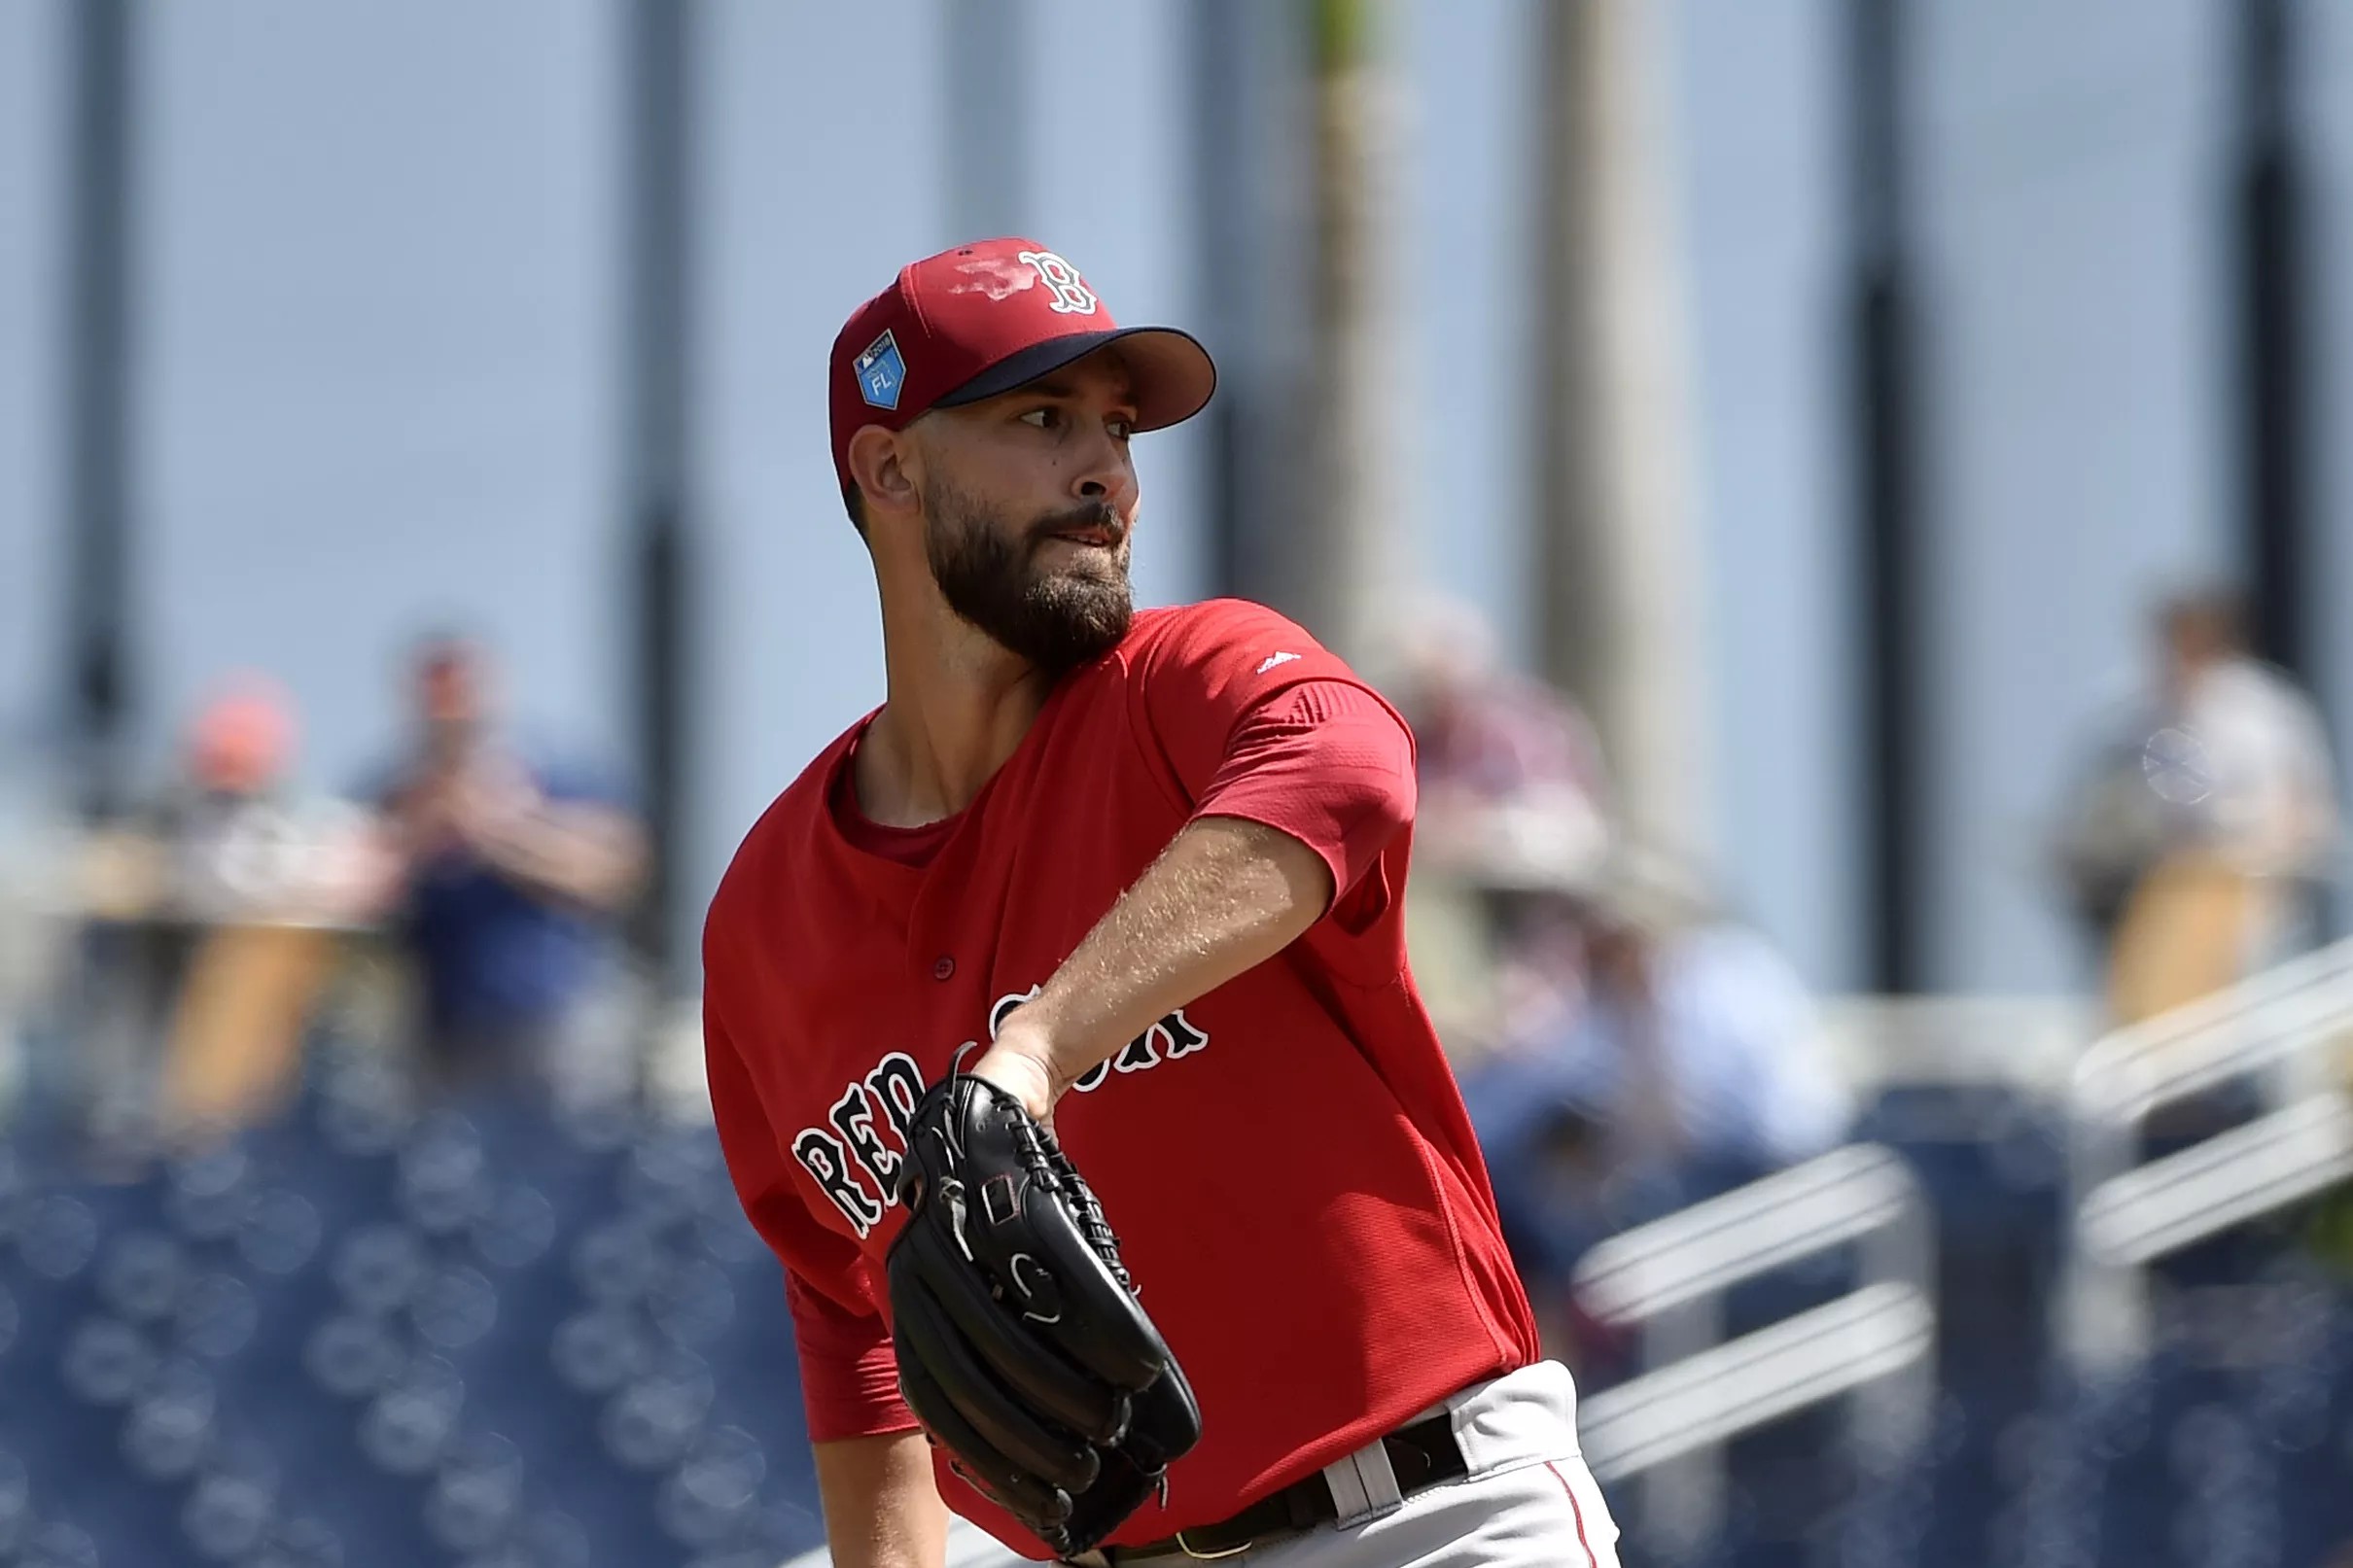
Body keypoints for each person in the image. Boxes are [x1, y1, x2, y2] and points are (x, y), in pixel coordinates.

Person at [701, 239, 1622, 1568]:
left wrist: (1029, 1055)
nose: (1108, 474)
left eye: (1120, 428)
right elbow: (852, 1330)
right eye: (1042, 418)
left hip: (1425, 1513)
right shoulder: (768, 920)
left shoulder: (1180, 684)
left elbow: (1350, 767)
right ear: (890, 466)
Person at [364, 636, 648, 1107]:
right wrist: (420, 833)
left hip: (557, 1018)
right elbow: (365, 885)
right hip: (442, 1027)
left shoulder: (556, 771)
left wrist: (498, 832)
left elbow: (615, 867)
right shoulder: (398, 790)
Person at [2053, 587, 2339, 1021]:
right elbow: (2117, 799)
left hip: (2247, 883)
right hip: (2161, 883)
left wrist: (2260, 850)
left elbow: (2298, 806)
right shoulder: (2139, 712)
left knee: (2232, 1007)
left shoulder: (2262, 714)